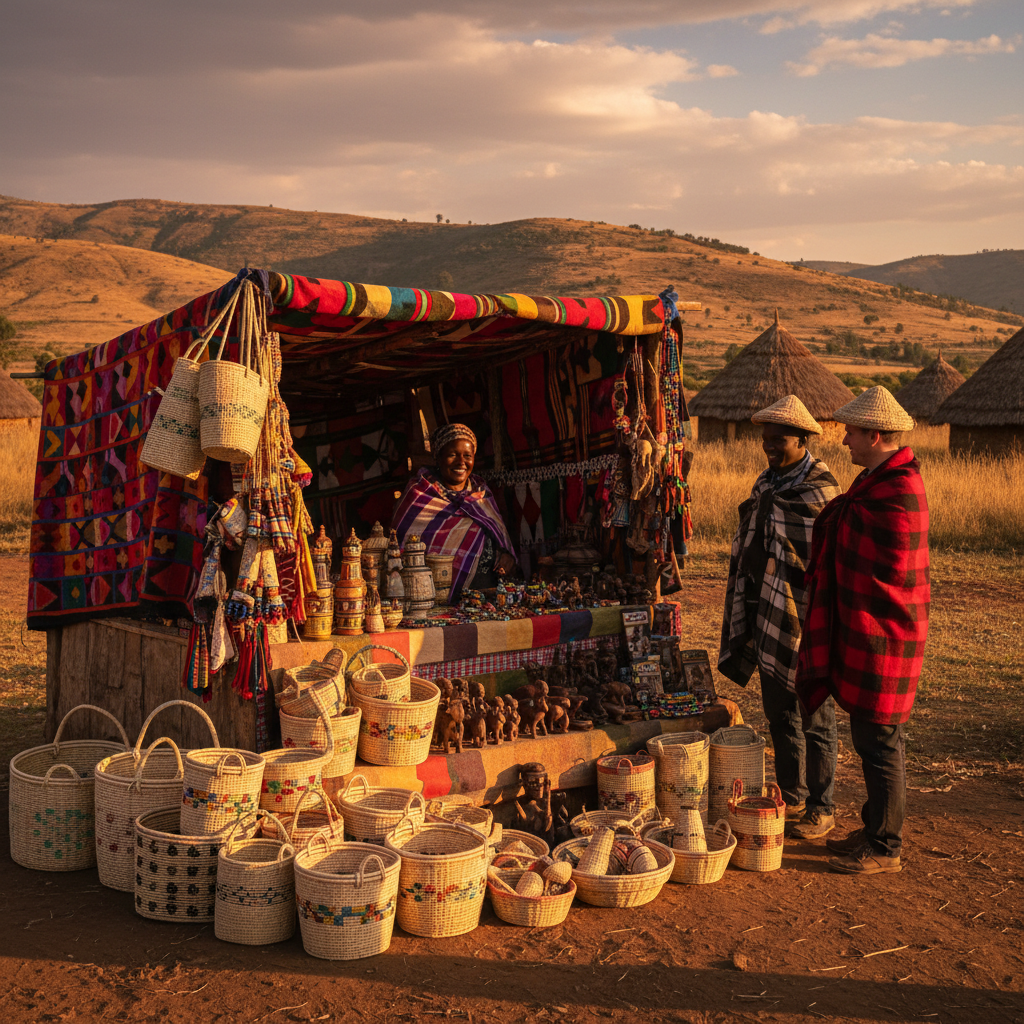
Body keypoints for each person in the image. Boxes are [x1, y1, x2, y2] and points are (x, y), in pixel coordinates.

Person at [796, 387, 929, 875]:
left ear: (874, 435)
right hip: (871, 630)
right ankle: (874, 827)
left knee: (880, 741)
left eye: (851, 432)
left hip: (886, 635)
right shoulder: (875, 482)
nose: (844, 440)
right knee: (871, 735)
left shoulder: (899, 490)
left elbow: (891, 571)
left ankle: (885, 846)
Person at [718, 395, 842, 838]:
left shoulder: (821, 490)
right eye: (766, 439)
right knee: (780, 713)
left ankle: (822, 807)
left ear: (802, 439)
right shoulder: (765, 483)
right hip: (768, 612)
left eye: (779, 440)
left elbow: (825, 560)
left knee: (816, 717)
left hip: (808, 618)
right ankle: (793, 795)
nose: (769, 446)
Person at [391, 423, 516, 601]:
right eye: (452, 455)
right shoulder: (418, 496)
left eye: (467, 456)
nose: (461, 462)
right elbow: (399, 552)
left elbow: (501, 540)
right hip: (435, 604)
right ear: (438, 458)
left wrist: (506, 556)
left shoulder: (482, 495)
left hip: (487, 600)